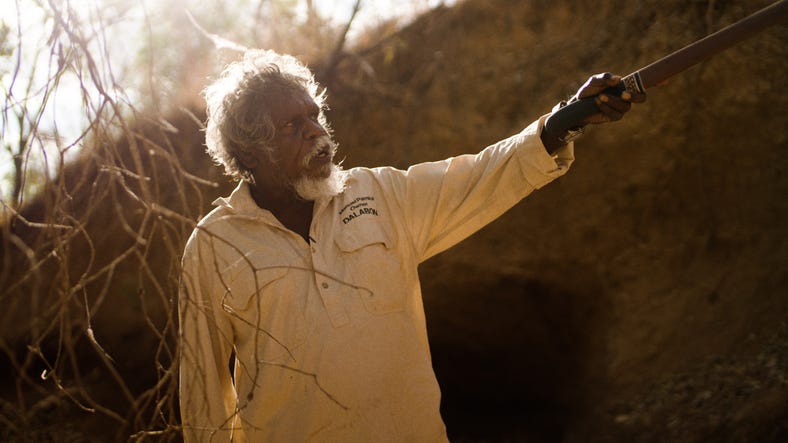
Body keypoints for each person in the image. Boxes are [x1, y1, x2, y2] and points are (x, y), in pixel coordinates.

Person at [178, 49, 644, 442]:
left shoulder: (378, 194)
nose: (317, 133)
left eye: (315, 116)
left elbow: (480, 176)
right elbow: (204, 395)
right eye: (292, 126)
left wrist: (564, 121)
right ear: (251, 150)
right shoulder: (215, 244)